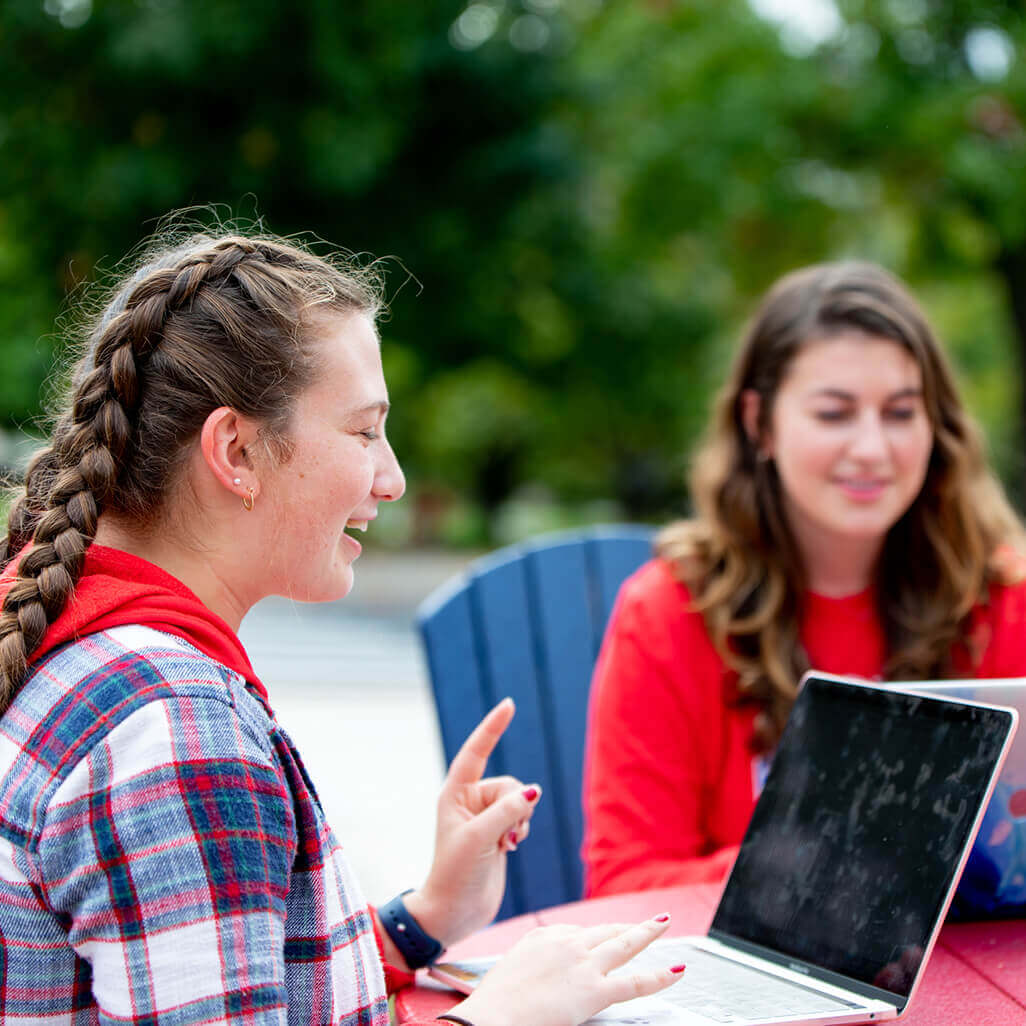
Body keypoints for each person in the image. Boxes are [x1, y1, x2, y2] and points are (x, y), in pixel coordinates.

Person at [0, 229, 685, 1024]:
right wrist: (505, 1015)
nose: (392, 479)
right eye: (363, 432)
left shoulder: (73, 641)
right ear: (237, 450)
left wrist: (423, 920)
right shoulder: (174, 733)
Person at [582, 261, 1026, 897]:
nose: (873, 448)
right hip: (753, 984)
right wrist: (823, 859)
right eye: (834, 414)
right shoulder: (671, 611)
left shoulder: (1003, 599)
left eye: (901, 413)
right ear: (759, 422)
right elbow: (626, 884)